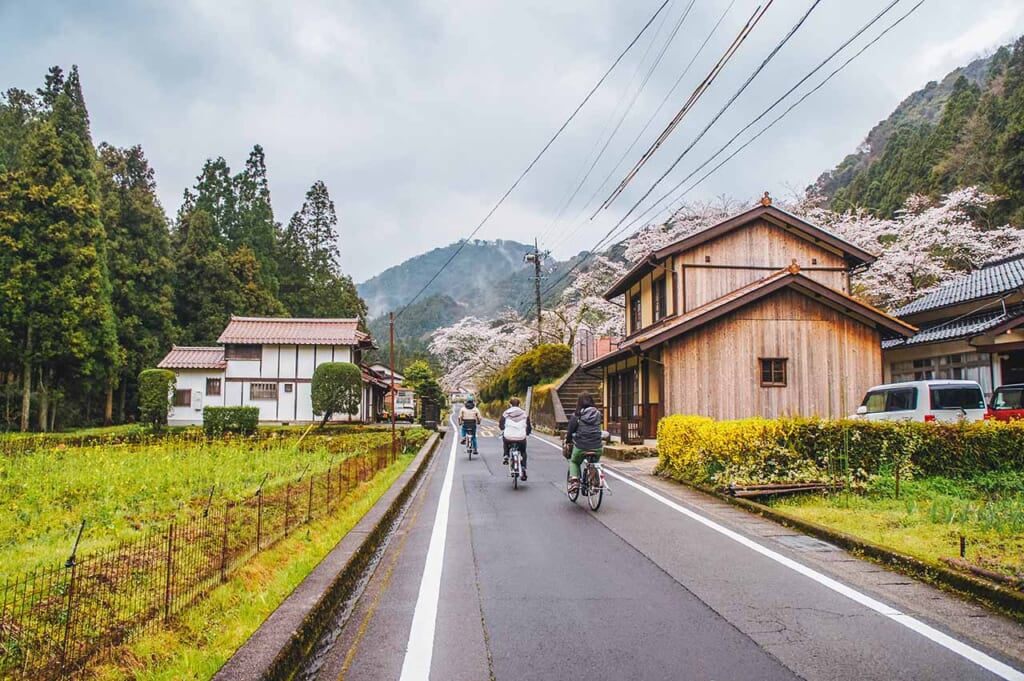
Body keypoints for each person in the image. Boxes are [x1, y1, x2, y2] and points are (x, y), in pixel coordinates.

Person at [565, 393, 603, 493]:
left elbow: (570, 431)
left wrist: (568, 441)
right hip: (597, 446)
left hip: (581, 445)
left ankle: (574, 481)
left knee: (574, 461)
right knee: (594, 463)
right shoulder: (598, 414)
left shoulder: (576, 415)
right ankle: (594, 483)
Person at [499, 396, 531, 480]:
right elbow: (528, 427)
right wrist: (527, 433)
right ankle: (523, 468)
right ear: (519, 404)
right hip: (521, 438)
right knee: (523, 452)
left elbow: (501, 424)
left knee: (505, 442)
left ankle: (506, 455)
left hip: (508, 437)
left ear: (510, 404)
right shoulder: (524, 414)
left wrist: (503, 429)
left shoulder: (506, 413)